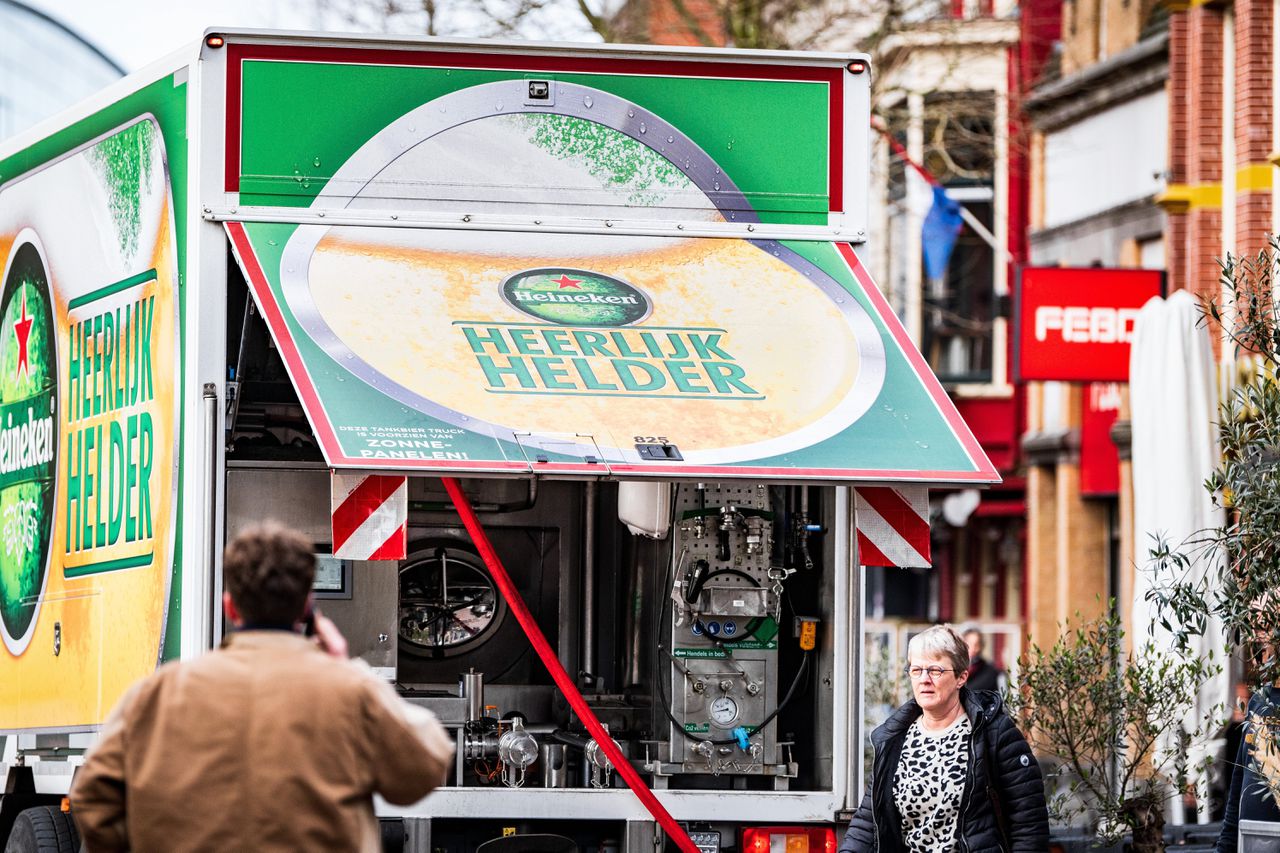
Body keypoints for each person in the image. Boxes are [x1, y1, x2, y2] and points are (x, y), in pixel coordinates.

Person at [71, 522, 455, 853]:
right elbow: (424, 767)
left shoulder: (158, 694)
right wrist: (351, 669)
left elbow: (93, 796)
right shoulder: (349, 691)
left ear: (230, 608)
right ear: (308, 606)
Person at [841, 624, 1049, 853]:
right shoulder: (894, 738)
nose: (924, 679)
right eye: (916, 670)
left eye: (936, 670)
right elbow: (868, 822)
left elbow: (1029, 826)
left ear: (961, 677)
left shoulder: (995, 734)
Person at [963, 627, 1007, 693]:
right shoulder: (955, 668)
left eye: (977, 644)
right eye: (969, 643)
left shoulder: (991, 672)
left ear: (981, 646)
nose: (973, 648)